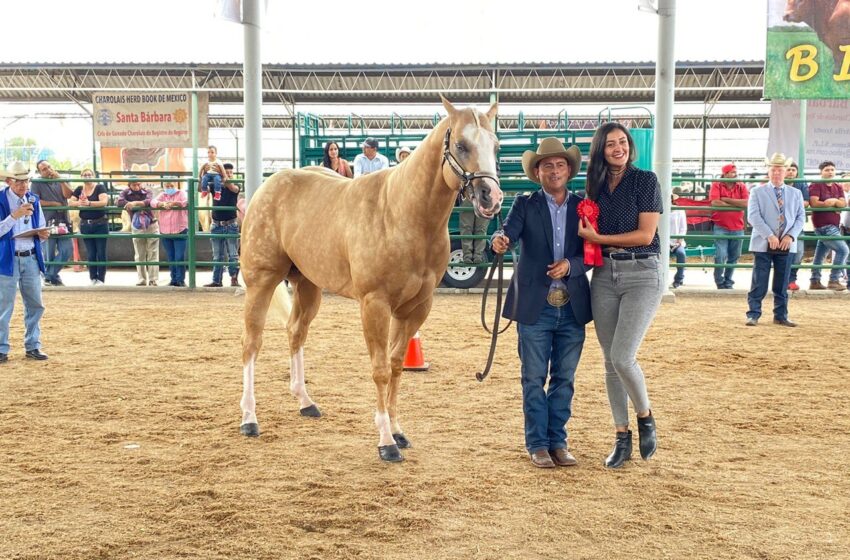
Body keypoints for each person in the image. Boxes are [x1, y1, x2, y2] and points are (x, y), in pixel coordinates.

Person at [490, 137, 591, 469]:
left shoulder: (583, 206)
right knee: (533, 376)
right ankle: (537, 443)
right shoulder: (525, 204)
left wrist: (571, 266)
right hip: (536, 303)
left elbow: (592, 252)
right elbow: (508, 233)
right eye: (547, 165)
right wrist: (499, 240)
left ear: (569, 170)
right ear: (538, 171)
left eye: (560, 164)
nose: (554, 170)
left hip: (572, 304)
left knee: (565, 378)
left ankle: (557, 441)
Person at [577, 122, 661, 469]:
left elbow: (645, 235)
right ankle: (621, 436)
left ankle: (645, 416)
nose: (618, 148)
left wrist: (598, 241)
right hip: (604, 275)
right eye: (610, 144)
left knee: (623, 356)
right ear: (601, 149)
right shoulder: (593, 187)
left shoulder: (645, 180)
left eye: (622, 142)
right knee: (610, 362)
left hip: (642, 271)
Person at [745, 153, 806, 327]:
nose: (776, 173)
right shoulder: (757, 191)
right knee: (760, 279)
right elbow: (753, 217)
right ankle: (753, 313)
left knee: (782, 280)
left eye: (780, 170)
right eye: (773, 169)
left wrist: (790, 235)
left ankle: (780, 314)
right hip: (764, 242)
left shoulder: (796, 193)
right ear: (768, 171)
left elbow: (801, 218)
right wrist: (769, 235)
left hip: (787, 242)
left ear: (786, 172)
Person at [0, 161, 50, 362]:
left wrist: (43, 233)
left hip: (30, 256)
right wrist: (14, 216)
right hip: (7, 259)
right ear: (9, 181)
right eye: (19, 181)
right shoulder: (1, 200)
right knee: (4, 305)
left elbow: (41, 224)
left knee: (35, 303)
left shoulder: (33, 199)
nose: (23, 185)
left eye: (26, 181)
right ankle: (2, 348)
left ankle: (33, 345)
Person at [30, 160, 73, 286]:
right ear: (39, 172)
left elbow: (69, 194)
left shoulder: (61, 179)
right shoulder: (36, 182)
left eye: (49, 167)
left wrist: (60, 179)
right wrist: (54, 204)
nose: (48, 170)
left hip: (64, 220)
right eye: (44, 169)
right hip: (47, 221)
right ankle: (52, 277)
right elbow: (35, 200)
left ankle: (49, 275)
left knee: (67, 250)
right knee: (48, 252)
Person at [808, 160, 848, 291]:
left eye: (832, 169)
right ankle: (834, 279)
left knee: (820, 254)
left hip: (833, 225)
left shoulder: (838, 186)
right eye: (827, 170)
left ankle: (815, 281)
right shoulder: (816, 185)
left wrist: (834, 201)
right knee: (843, 250)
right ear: (821, 172)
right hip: (823, 225)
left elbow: (843, 204)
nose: (830, 172)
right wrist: (829, 204)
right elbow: (814, 203)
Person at [709, 163, 749, 289]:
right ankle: (720, 281)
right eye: (732, 172)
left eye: (735, 172)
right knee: (721, 255)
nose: (735, 174)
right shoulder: (716, 184)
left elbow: (747, 203)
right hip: (721, 225)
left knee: (734, 256)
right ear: (725, 174)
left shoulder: (741, 186)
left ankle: (728, 281)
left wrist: (726, 199)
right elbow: (715, 202)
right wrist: (736, 205)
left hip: (737, 226)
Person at [69, 169, 109, 285]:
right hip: (85, 224)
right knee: (90, 253)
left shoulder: (100, 187)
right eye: (85, 175)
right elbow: (71, 202)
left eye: (89, 174)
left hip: (100, 223)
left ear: (94, 176)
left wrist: (90, 203)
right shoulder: (79, 189)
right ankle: (92, 278)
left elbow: (104, 201)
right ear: (81, 177)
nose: (87, 177)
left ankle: (101, 279)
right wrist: (80, 203)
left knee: (101, 252)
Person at [204, 163, 240, 287]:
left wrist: (223, 175)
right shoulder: (215, 186)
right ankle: (216, 280)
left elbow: (233, 188)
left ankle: (234, 278)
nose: (229, 174)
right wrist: (201, 177)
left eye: (231, 172)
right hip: (217, 224)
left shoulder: (235, 186)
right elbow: (202, 190)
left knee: (233, 255)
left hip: (231, 224)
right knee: (217, 255)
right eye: (227, 172)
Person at [117, 180, 159, 286]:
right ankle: (142, 279)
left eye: (138, 184)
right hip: (137, 225)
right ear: (129, 185)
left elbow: (149, 201)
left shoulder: (147, 191)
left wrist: (134, 204)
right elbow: (119, 202)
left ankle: (153, 279)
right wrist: (130, 204)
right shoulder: (125, 193)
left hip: (151, 224)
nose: (137, 186)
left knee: (152, 252)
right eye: (134, 184)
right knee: (139, 253)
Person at [151, 177, 188, 287]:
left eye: (171, 186)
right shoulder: (162, 195)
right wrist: (161, 204)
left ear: (175, 185)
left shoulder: (181, 193)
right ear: (164, 187)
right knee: (171, 257)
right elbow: (153, 202)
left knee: (179, 256)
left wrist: (174, 203)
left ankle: (180, 279)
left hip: (180, 230)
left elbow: (186, 202)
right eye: (167, 186)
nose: (169, 188)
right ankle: (173, 279)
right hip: (165, 231)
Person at [785, 162, 809, 291]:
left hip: (797, 224)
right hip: (781, 225)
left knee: (798, 253)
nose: (790, 172)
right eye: (788, 169)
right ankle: (784, 279)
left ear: (797, 172)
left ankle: (792, 279)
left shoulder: (801, 183)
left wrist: (789, 206)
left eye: (793, 170)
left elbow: (806, 202)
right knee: (781, 253)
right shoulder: (779, 184)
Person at [669, 193, 687, 288]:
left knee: (681, 254)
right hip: (664, 242)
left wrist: (679, 240)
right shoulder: (660, 210)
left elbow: (683, 228)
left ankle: (679, 279)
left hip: (677, 242)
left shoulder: (680, 210)